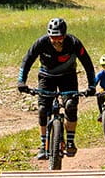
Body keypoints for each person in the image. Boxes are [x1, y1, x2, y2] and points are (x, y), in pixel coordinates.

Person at [17, 17, 96, 159]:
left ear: (65, 35)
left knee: (71, 105)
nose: (56, 41)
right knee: (42, 109)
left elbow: (87, 63)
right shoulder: (41, 43)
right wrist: (21, 81)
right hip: (46, 77)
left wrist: (92, 85)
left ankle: (70, 142)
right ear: (49, 35)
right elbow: (27, 60)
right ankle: (43, 145)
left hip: (68, 76)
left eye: (59, 37)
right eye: (53, 37)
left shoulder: (74, 43)